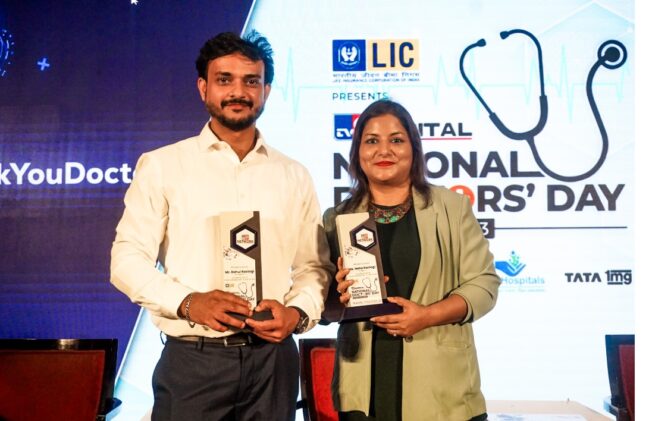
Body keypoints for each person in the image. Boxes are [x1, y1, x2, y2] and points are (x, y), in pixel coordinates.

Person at [110, 31, 332, 421]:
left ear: (266, 91)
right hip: (194, 361)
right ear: (203, 88)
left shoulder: (293, 174)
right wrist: (190, 302)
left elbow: (313, 266)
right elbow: (126, 261)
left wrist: (297, 313)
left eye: (251, 81)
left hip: (273, 362)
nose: (238, 92)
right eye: (224, 79)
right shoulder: (163, 166)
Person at [323, 99, 500, 421]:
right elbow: (323, 306)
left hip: (440, 383)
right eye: (371, 141)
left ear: (414, 149)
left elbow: (484, 285)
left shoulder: (452, 207)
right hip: (363, 380)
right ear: (357, 152)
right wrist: (337, 295)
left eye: (396, 140)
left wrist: (427, 316)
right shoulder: (337, 218)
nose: (384, 150)